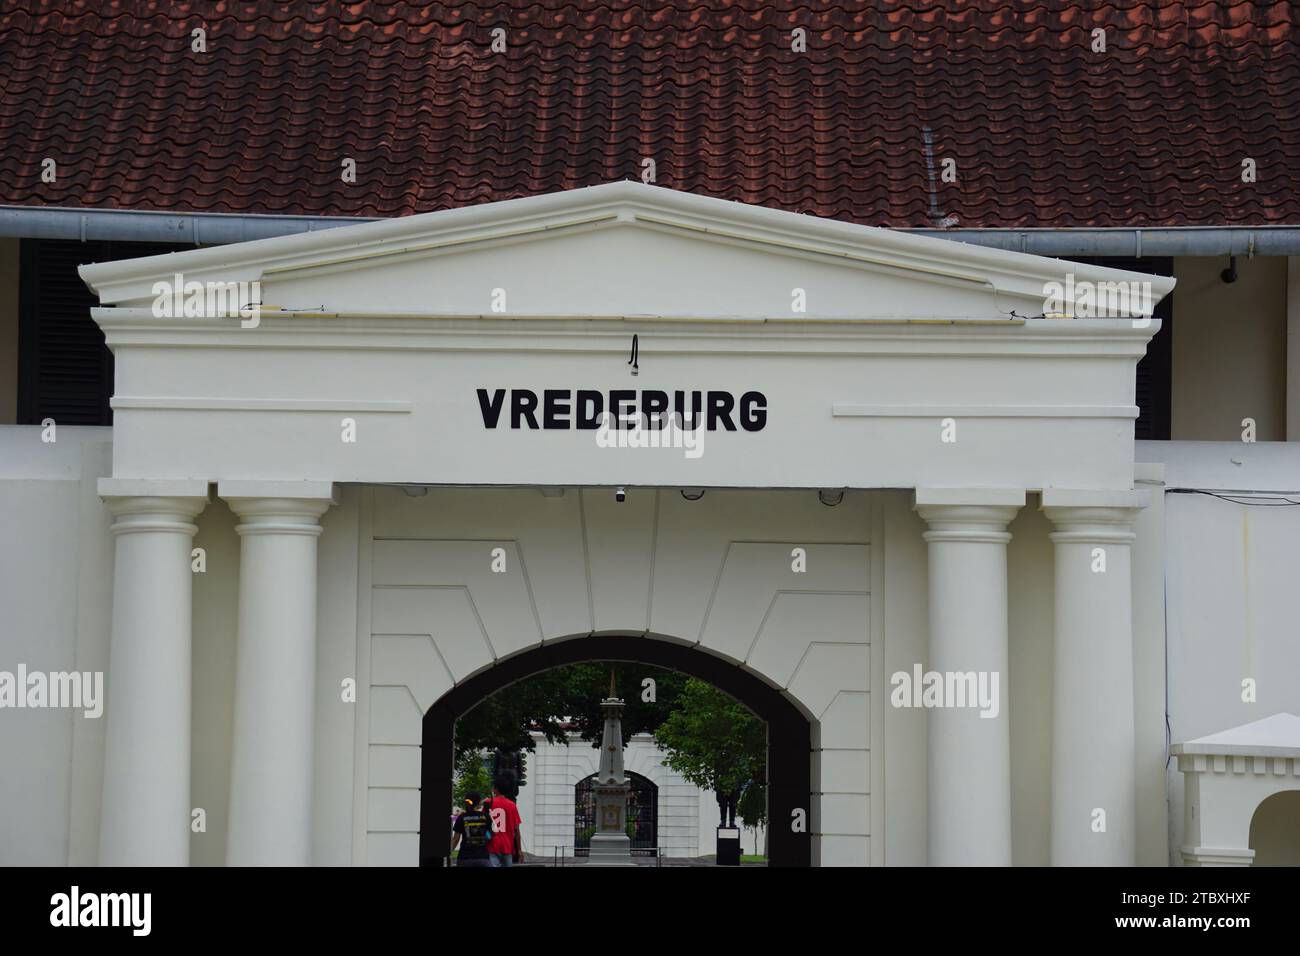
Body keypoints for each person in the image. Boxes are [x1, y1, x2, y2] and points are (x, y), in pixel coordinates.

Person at [484, 773, 523, 867]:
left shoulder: (488, 803)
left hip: (491, 845)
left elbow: (483, 823)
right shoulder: (512, 805)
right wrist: (519, 850)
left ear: (496, 789)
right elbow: (517, 830)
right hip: (507, 846)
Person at [450, 793, 493, 867]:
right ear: (478, 803)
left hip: (464, 858)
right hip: (482, 858)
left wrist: (450, 852)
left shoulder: (461, 817)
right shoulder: (486, 817)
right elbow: (489, 836)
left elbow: (456, 839)